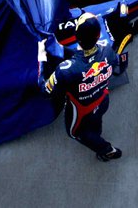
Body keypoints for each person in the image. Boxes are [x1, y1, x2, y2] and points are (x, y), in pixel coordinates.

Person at [38, 12, 125, 162]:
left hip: (81, 110)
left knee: (76, 133)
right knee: (96, 121)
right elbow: (116, 63)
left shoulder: (65, 70)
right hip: (102, 100)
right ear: (98, 35)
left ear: (76, 36)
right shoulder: (107, 49)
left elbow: (45, 91)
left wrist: (41, 57)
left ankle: (107, 150)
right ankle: (97, 134)